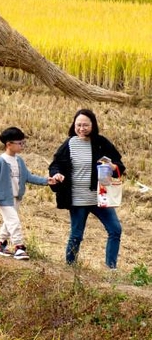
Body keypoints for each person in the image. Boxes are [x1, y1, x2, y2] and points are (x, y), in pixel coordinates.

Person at [49, 108, 126, 269]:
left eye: (85, 125)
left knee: (115, 229)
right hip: (77, 198)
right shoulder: (69, 143)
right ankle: (70, 267)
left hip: (100, 197)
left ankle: (110, 267)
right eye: (78, 125)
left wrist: (112, 166)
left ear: (93, 125)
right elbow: (55, 165)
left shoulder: (101, 143)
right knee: (76, 235)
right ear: (73, 125)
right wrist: (57, 174)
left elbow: (120, 166)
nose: (82, 128)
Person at [0, 127, 63, 260]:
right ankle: (19, 247)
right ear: (9, 144)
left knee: (8, 222)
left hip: (16, 198)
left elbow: (28, 176)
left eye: (23, 143)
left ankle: (0, 244)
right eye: (20, 143)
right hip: (3, 199)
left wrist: (46, 181)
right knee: (14, 222)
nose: (22, 146)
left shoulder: (19, 161)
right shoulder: (0, 161)